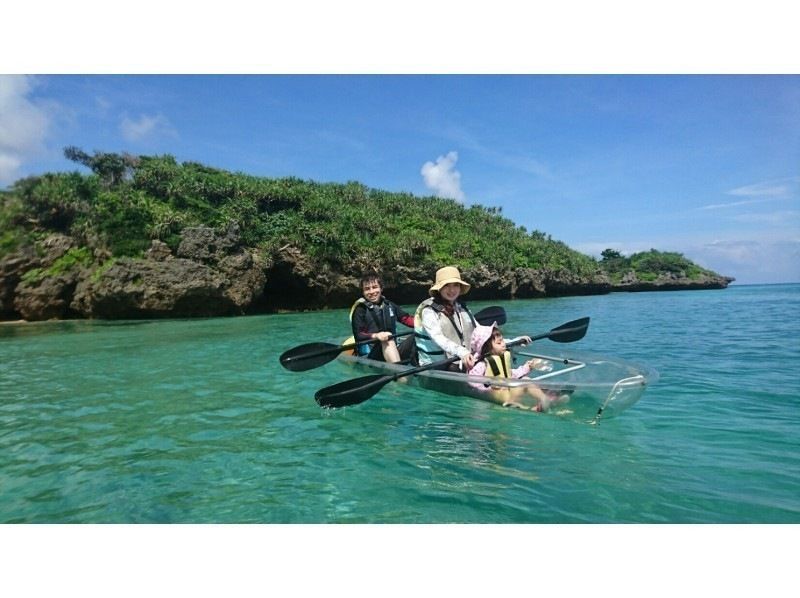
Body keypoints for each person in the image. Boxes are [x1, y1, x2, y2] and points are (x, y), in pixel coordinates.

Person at [467, 322, 555, 411]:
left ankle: (544, 399)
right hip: (498, 396)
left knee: (526, 380)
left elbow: (511, 375)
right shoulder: (482, 365)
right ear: (486, 348)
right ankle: (536, 407)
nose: (503, 344)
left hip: (509, 394)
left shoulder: (501, 359)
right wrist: (487, 386)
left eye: (503, 340)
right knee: (519, 392)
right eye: (499, 343)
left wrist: (528, 367)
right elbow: (472, 382)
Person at [414, 266, 477, 371]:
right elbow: (438, 338)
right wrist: (462, 352)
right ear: (439, 288)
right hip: (436, 365)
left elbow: (478, 329)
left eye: (456, 285)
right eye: (447, 285)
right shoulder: (428, 311)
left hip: (460, 359)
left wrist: (499, 341)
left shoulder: (461, 307)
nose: (452, 290)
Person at [350, 273, 415, 363]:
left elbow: (407, 319)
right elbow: (359, 335)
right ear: (363, 292)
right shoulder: (360, 310)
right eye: (367, 289)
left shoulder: (389, 305)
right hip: (371, 355)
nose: (372, 292)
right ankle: (401, 376)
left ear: (381, 288)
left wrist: (426, 324)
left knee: (418, 335)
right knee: (387, 337)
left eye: (375, 287)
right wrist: (376, 336)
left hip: (392, 350)